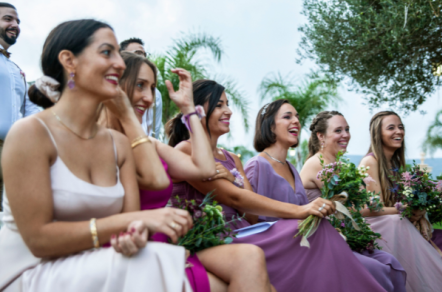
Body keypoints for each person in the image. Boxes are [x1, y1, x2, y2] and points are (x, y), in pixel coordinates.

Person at [1, 19, 198, 292]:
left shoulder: (117, 144)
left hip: (92, 263)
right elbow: (38, 240)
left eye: (118, 53)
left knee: (147, 255)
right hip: (30, 271)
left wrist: (134, 236)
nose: (119, 63)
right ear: (69, 61)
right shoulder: (31, 133)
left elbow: (136, 214)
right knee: (155, 261)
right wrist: (131, 222)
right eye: (107, 52)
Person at [167, 81, 389, 292]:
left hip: (244, 228)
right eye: (219, 105)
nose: (229, 111)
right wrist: (301, 210)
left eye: (228, 104)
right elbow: (234, 199)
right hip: (210, 235)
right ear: (196, 111)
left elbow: (251, 216)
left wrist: (233, 178)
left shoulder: (232, 159)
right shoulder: (185, 150)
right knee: (309, 228)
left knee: (317, 229)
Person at [101, 51, 274, 292]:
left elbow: (202, 168)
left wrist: (189, 110)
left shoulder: (149, 144)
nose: (149, 98)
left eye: (152, 88)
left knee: (254, 264)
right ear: (114, 83)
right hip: (128, 243)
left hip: (160, 241)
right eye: (140, 85)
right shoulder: (98, 141)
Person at [358, 111, 442, 292]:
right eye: (391, 127)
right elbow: (369, 209)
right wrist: (406, 210)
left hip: (398, 222)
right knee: (396, 222)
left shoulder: (394, 166)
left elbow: (402, 202)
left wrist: (421, 214)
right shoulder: (370, 162)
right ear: (378, 134)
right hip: (379, 227)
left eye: (401, 127)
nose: (399, 131)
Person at [300, 110, 406, 292]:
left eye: (347, 130)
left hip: (345, 234)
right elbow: (350, 208)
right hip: (323, 237)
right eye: (338, 130)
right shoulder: (318, 163)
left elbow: (364, 204)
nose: (345, 135)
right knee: (378, 269)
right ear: (321, 136)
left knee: (390, 262)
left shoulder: (341, 165)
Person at [0, 2, 41, 211]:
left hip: (13, 153)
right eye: (8, 19)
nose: (15, 25)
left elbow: (31, 111)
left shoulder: (16, 70)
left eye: (17, 21)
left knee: (9, 214)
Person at [119, 37, 163, 140]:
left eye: (144, 54)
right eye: (138, 53)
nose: (149, 98)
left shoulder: (156, 95)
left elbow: (154, 130)